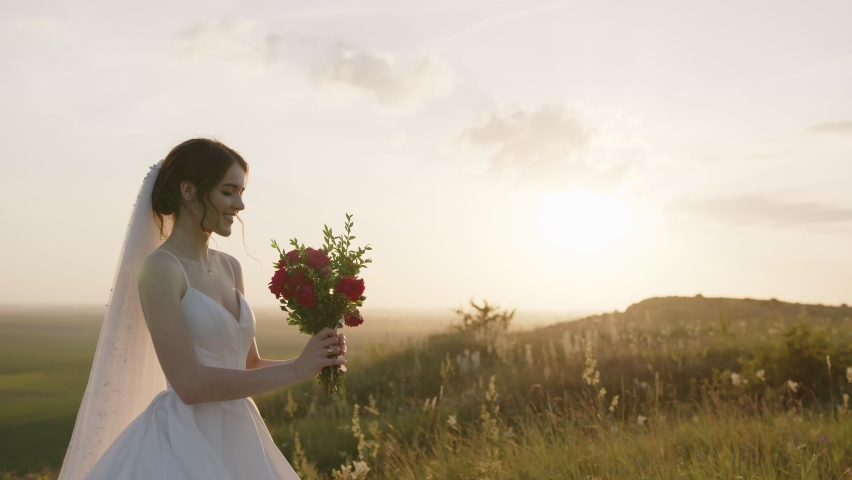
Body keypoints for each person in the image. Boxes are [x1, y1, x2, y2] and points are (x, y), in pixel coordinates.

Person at [57, 138, 346, 479]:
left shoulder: (230, 267)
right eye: (228, 192)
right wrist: (295, 370)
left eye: (241, 192)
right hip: (183, 442)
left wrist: (314, 359)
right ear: (189, 191)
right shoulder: (160, 269)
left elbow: (248, 364)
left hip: (241, 435)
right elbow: (190, 384)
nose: (239, 205)